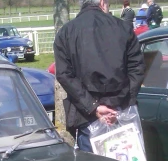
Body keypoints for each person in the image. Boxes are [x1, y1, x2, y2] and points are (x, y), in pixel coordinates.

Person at [54, 0, 145, 152]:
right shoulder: (123, 28)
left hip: (88, 115)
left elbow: (64, 75)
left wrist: (93, 106)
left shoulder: (66, 32)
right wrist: (118, 103)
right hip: (115, 112)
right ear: (103, 2)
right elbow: (137, 68)